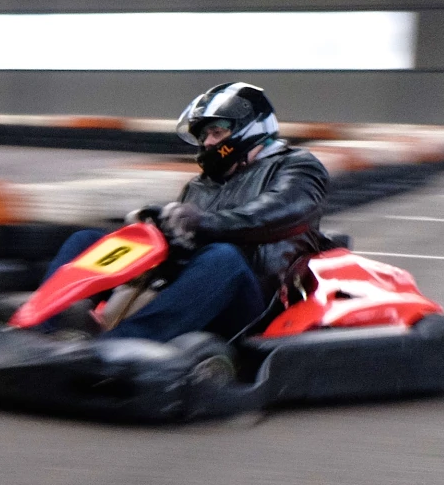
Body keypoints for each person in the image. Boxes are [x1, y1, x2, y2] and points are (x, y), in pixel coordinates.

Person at [42, 82, 329, 342]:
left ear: (250, 129)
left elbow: (276, 212)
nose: (207, 143)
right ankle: (44, 325)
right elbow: (186, 240)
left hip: (256, 299)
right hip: (196, 289)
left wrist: (202, 223)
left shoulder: (297, 166)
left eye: (216, 132)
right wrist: (156, 225)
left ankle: (121, 346)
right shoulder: (200, 185)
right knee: (87, 240)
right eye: (204, 136)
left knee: (224, 257)